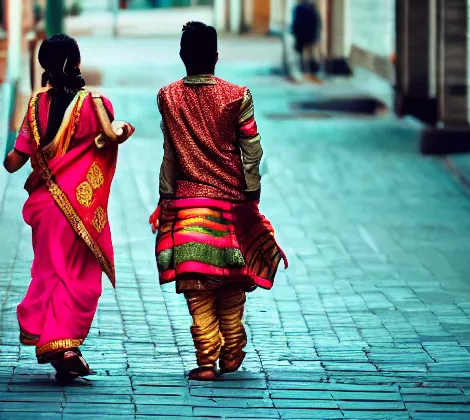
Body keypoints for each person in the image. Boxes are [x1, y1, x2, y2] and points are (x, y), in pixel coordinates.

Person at [149, 21, 288, 381]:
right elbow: (252, 150)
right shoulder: (237, 95)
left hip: (189, 213)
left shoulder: (167, 97)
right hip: (232, 212)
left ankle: (206, 361)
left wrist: (166, 197)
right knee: (231, 287)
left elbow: (170, 156)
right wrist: (251, 189)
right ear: (215, 56)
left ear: (182, 56)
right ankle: (233, 350)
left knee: (198, 293)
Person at [3, 34, 134, 384]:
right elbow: (111, 135)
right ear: (76, 62)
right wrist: (122, 130)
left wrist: (17, 146)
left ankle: (57, 346)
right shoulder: (94, 104)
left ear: (44, 66)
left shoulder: (34, 106)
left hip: (45, 207)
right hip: (78, 209)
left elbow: (13, 163)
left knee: (49, 272)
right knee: (79, 279)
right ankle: (64, 347)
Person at [291, 0, 322, 79]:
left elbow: (296, 23)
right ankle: (312, 69)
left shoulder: (298, 8)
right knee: (310, 52)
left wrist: (294, 32)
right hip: (310, 34)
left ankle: (304, 69)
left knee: (302, 53)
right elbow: (317, 21)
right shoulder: (311, 8)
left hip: (302, 35)